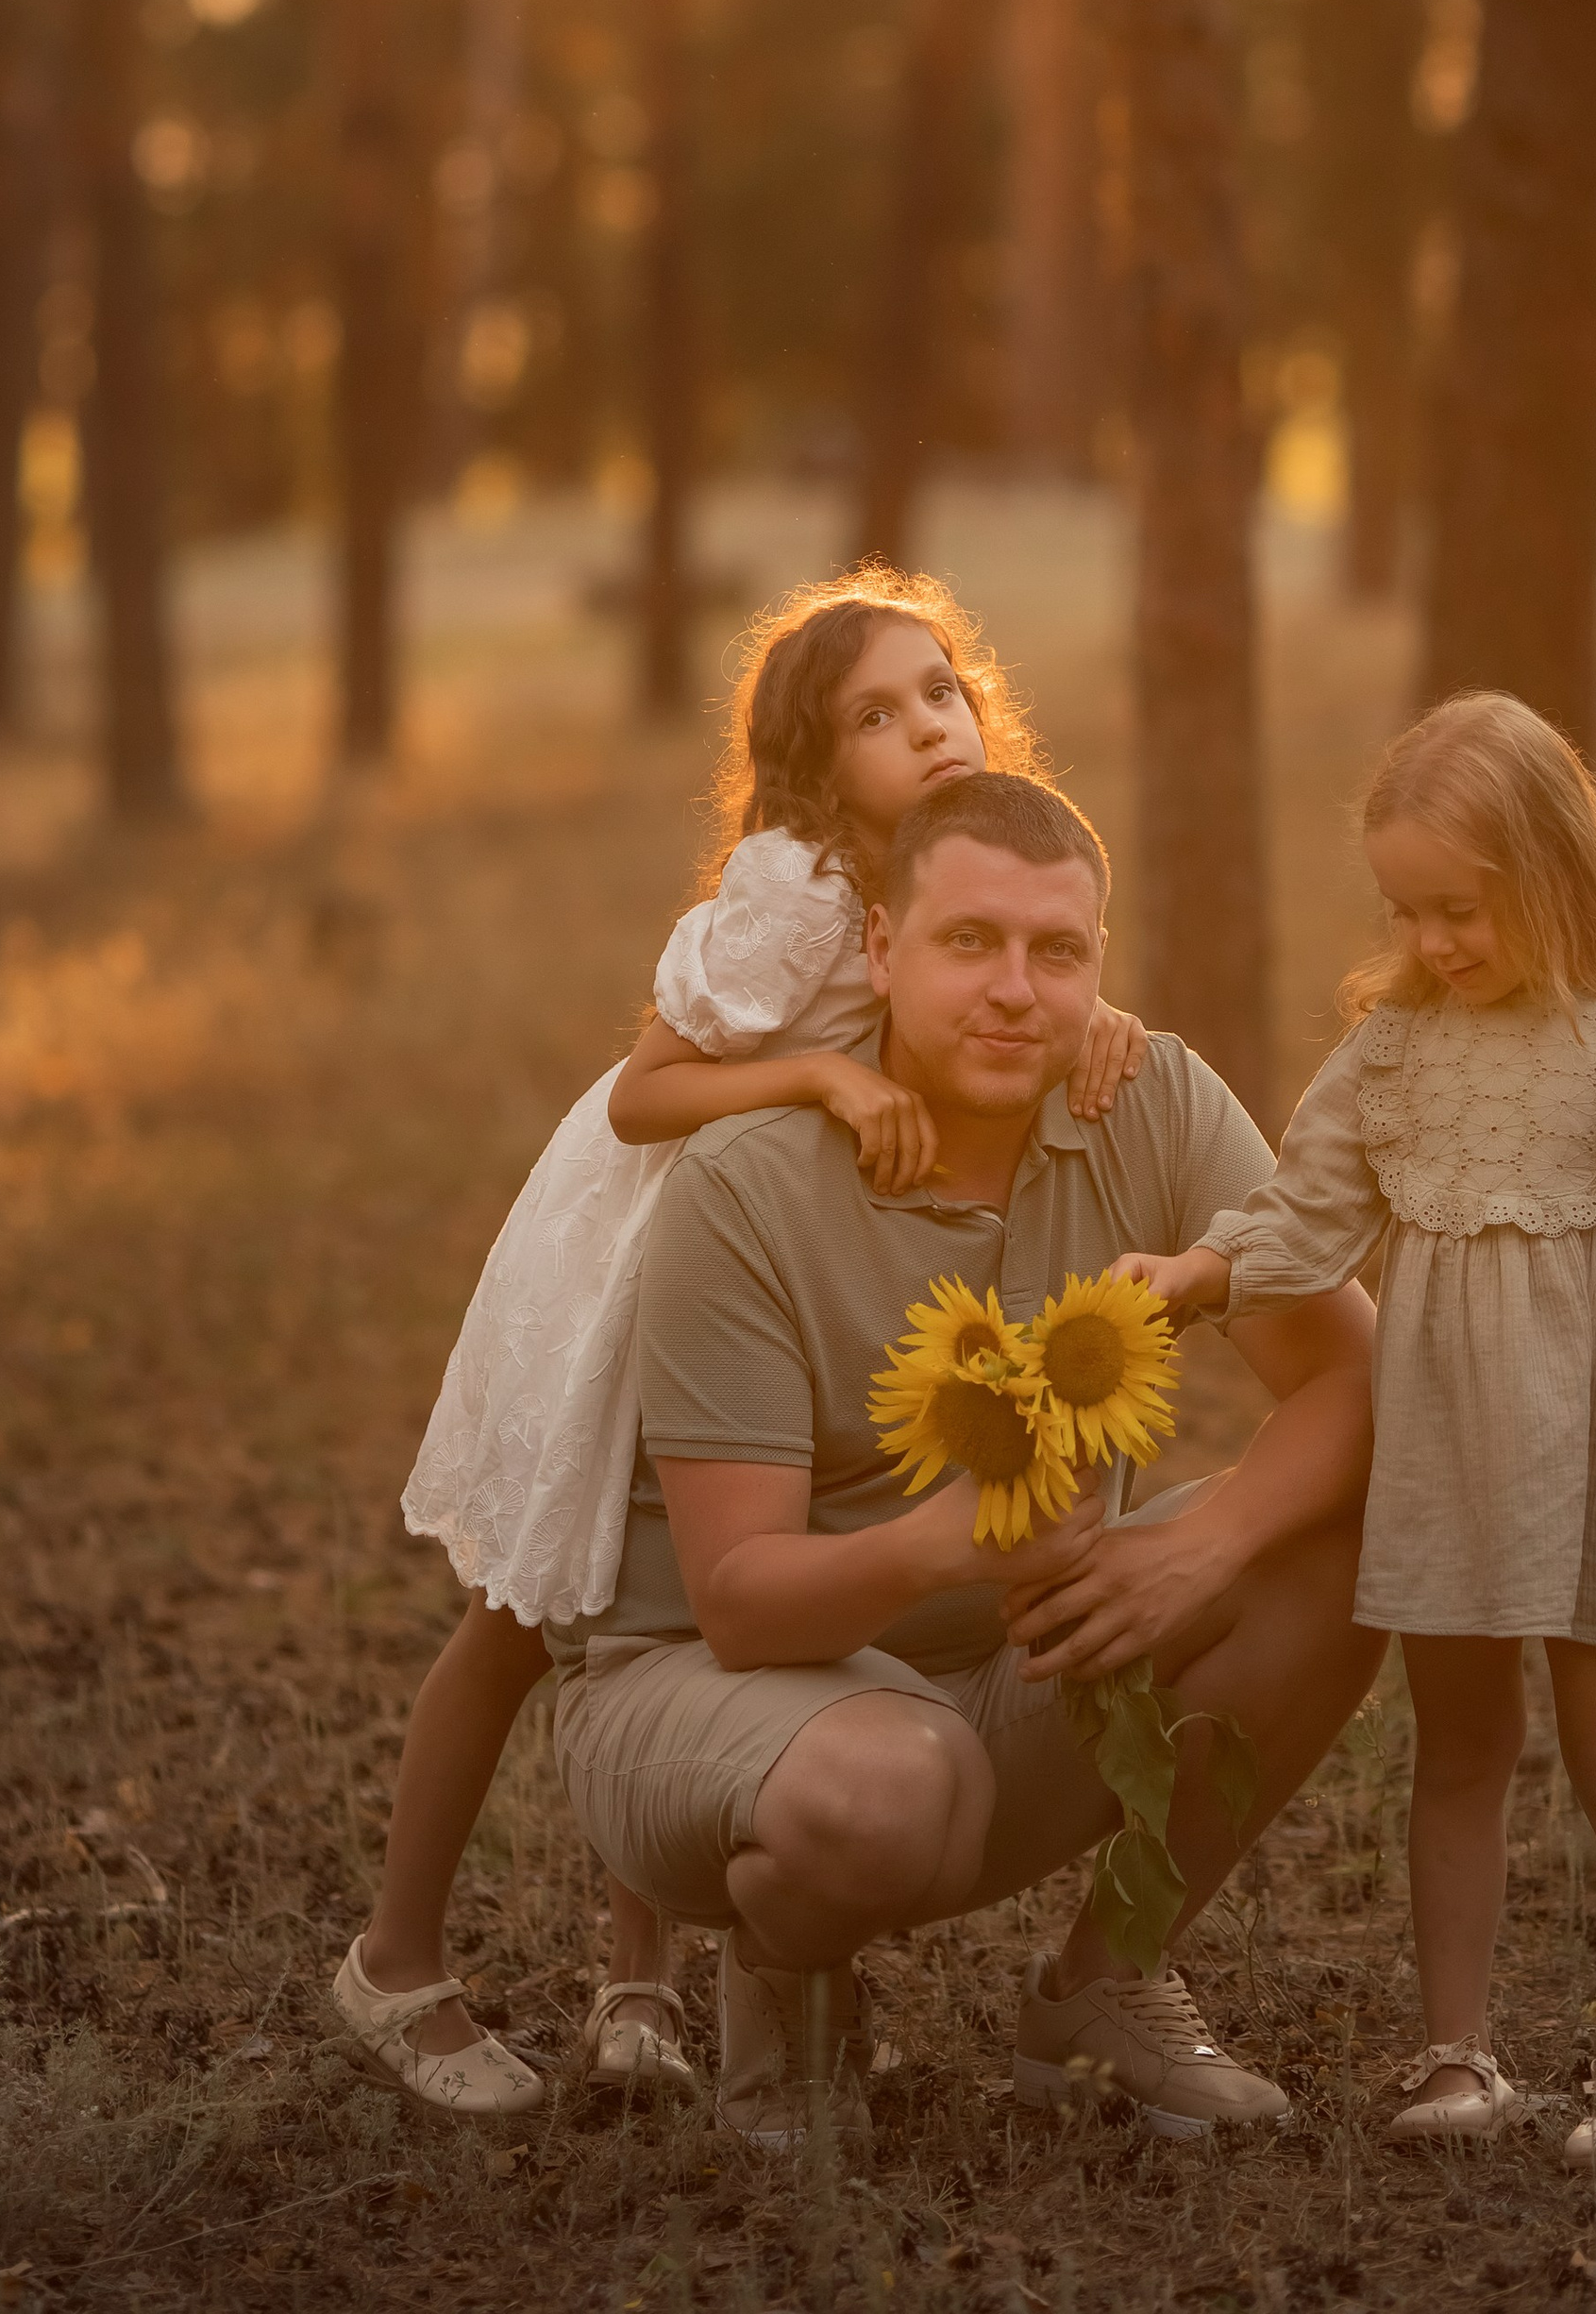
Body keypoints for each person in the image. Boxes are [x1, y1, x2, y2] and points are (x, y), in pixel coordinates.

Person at [332, 571, 1148, 2115]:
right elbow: (646, 1093)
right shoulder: (795, 886)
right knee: (548, 1605)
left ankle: (638, 1990)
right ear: (812, 760)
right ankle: (396, 1961)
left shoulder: (952, 863)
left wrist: (1099, 1024)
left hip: (764, 1263)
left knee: (688, 1621)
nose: (925, 726)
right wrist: (821, 1086)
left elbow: (1005, 977)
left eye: (940, 691)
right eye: (874, 714)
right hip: (651, 1257)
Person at [547, 766, 1384, 2150]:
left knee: (1338, 1546)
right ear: (883, 949)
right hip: (709, 1703)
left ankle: (1102, 1986)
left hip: (1013, 1670)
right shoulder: (749, 1183)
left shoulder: (1151, 1101)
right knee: (894, 1785)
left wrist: (1202, 1546)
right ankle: (786, 1982)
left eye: (1058, 952)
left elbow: (1355, 1381)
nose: (1016, 990)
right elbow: (739, 1601)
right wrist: (951, 1544)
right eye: (970, 942)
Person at [1123, 690, 1596, 2178]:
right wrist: (1203, 1272)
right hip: (1452, 1461)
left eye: (1459, 912)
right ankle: (1457, 2052)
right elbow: (1305, 1213)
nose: (1430, 944)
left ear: (1551, 875)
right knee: (1460, 1748)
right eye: (1404, 912)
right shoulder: (1392, 1052)